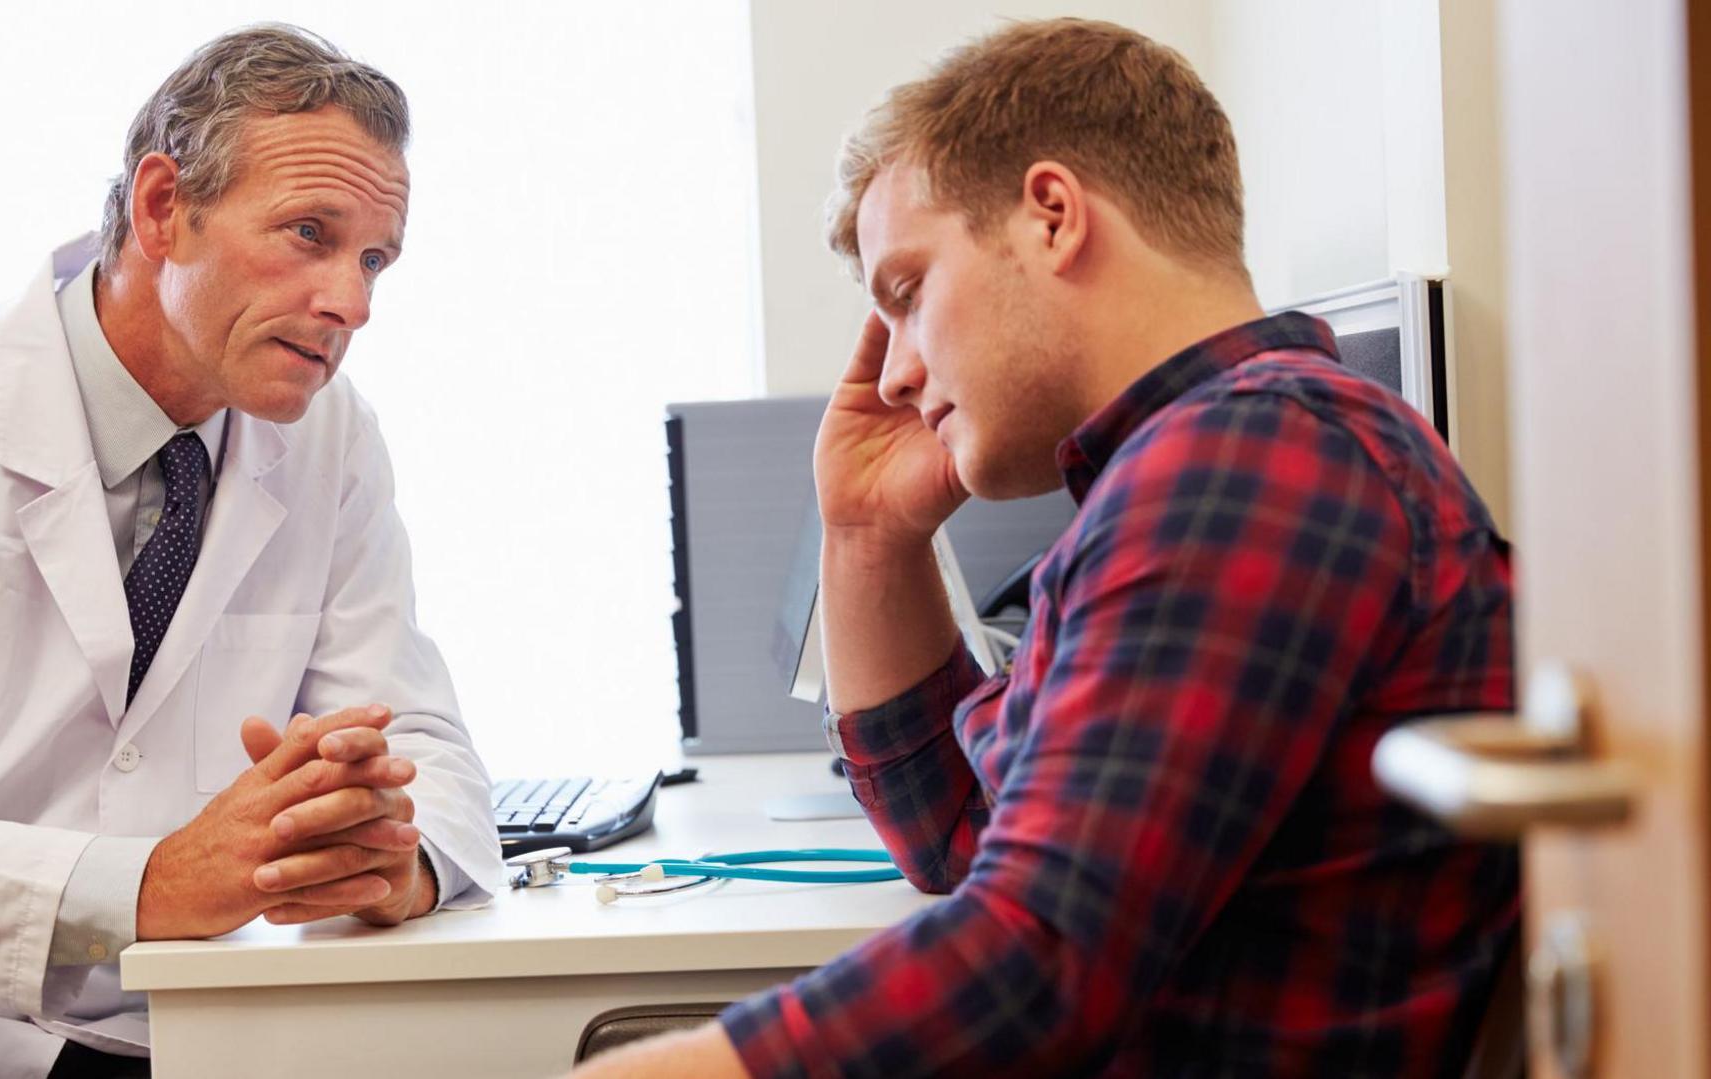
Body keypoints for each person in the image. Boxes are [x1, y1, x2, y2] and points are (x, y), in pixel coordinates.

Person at [577, 17, 1517, 1078]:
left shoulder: (1255, 454)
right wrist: (868, 531)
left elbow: (1036, 958)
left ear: (1053, 217)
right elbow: (959, 837)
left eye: (908, 292)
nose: (891, 374)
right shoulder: (1201, 465)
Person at [0, 25, 498, 1078]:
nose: (352, 302)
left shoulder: (329, 437)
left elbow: (424, 744)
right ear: (165, 207)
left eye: (374, 259)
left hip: (177, 1028)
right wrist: (145, 884)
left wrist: (388, 858)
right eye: (310, 232)